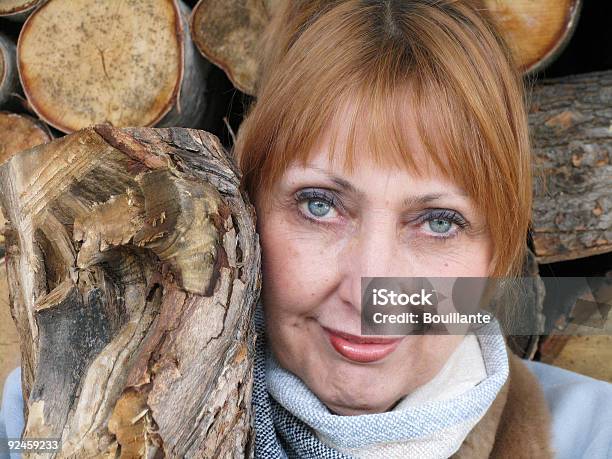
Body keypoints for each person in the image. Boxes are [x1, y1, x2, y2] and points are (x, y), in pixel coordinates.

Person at [1, 1, 611, 458]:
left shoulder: (589, 437)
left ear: (496, 253)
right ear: (246, 209)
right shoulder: (53, 416)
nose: (369, 292)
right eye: (320, 204)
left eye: (439, 221)